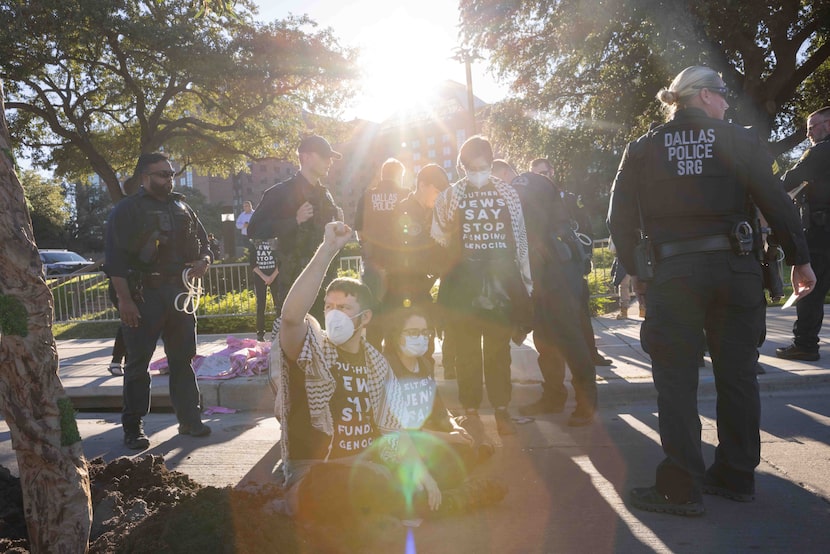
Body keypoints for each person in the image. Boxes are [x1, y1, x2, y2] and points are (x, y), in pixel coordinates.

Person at [608, 66, 815, 516]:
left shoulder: (642, 149)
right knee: (738, 374)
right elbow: (774, 200)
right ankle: (736, 475)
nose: (727, 102)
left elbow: (618, 220)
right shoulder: (738, 139)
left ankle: (681, 487)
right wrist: (800, 258)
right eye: (721, 94)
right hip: (735, 269)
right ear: (701, 96)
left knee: (676, 379)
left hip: (674, 273)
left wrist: (637, 272)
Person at [271, 220, 505, 522]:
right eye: (329, 307)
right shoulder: (312, 348)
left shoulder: (376, 363)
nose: (333, 314)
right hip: (320, 472)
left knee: (444, 461)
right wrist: (328, 249)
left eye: (344, 308)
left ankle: (411, 500)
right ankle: (436, 502)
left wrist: (419, 469)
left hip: (371, 465)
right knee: (352, 489)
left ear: (365, 318)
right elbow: (290, 318)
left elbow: (393, 430)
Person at [104, 152, 214, 450]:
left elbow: (206, 243)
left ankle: (190, 420)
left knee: (183, 360)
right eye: (162, 174)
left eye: (171, 173)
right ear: (145, 177)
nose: (169, 179)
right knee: (138, 363)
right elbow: (114, 260)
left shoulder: (183, 206)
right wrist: (125, 301)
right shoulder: (126, 210)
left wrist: (204, 260)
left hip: (179, 293)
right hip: (143, 295)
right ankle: (134, 427)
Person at [431, 136, 533, 436]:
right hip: (464, 289)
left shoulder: (507, 194)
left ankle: (501, 410)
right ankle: (471, 410)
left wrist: (526, 285)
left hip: (500, 287)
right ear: (462, 166)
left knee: (498, 354)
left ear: (491, 163)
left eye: (485, 166)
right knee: (467, 354)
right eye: (473, 167)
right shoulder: (449, 197)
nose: (479, 172)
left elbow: (520, 240)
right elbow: (439, 244)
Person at [513, 171, 599, 426]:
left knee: (569, 337)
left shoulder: (530, 183)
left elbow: (533, 224)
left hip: (558, 270)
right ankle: (553, 397)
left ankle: (586, 403)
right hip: (541, 272)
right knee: (544, 339)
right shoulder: (522, 183)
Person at [247, 135, 342, 322]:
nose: (329, 162)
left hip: (326, 281)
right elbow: (254, 229)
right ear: (305, 157)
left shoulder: (325, 195)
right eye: (324, 156)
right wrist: (294, 220)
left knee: (324, 343)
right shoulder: (280, 192)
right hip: (294, 283)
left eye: (330, 157)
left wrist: (339, 225)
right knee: (293, 344)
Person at [382, 305, 482, 478]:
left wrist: (455, 427)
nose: (421, 338)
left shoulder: (425, 364)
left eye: (425, 332)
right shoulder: (386, 369)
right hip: (404, 443)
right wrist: (451, 438)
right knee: (460, 457)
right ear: (396, 335)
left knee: (471, 427)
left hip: (431, 435)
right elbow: (399, 431)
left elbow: (440, 410)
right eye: (413, 332)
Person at [530, 158, 612, 366]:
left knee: (581, 314)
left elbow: (585, 230)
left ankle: (591, 354)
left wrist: (584, 258)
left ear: (552, 171)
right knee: (548, 319)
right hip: (547, 271)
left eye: (544, 173)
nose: (542, 178)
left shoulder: (569, 199)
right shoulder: (531, 203)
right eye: (537, 175)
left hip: (572, 268)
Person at [776, 106, 830, 361]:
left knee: (810, 290)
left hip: (821, 234)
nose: (808, 134)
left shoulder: (821, 151)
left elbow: (792, 178)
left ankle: (805, 345)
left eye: (812, 127)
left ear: (827, 125)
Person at [354, 158, 410, 348]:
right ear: (399, 176)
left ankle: (374, 357)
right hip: (399, 265)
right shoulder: (406, 195)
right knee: (396, 311)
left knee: (374, 311)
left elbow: (359, 231)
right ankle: (394, 358)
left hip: (372, 264)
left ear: (383, 174)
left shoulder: (367, 195)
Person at [250, 238, 280, 341]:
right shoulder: (254, 243)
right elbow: (253, 264)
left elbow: (280, 262)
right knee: (261, 305)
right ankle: (260, 333)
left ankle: (279, 330)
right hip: (260, 277)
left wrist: (272, 277)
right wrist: (265, 277)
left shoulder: (275, 241)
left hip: (275, 276)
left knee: (278, 304)